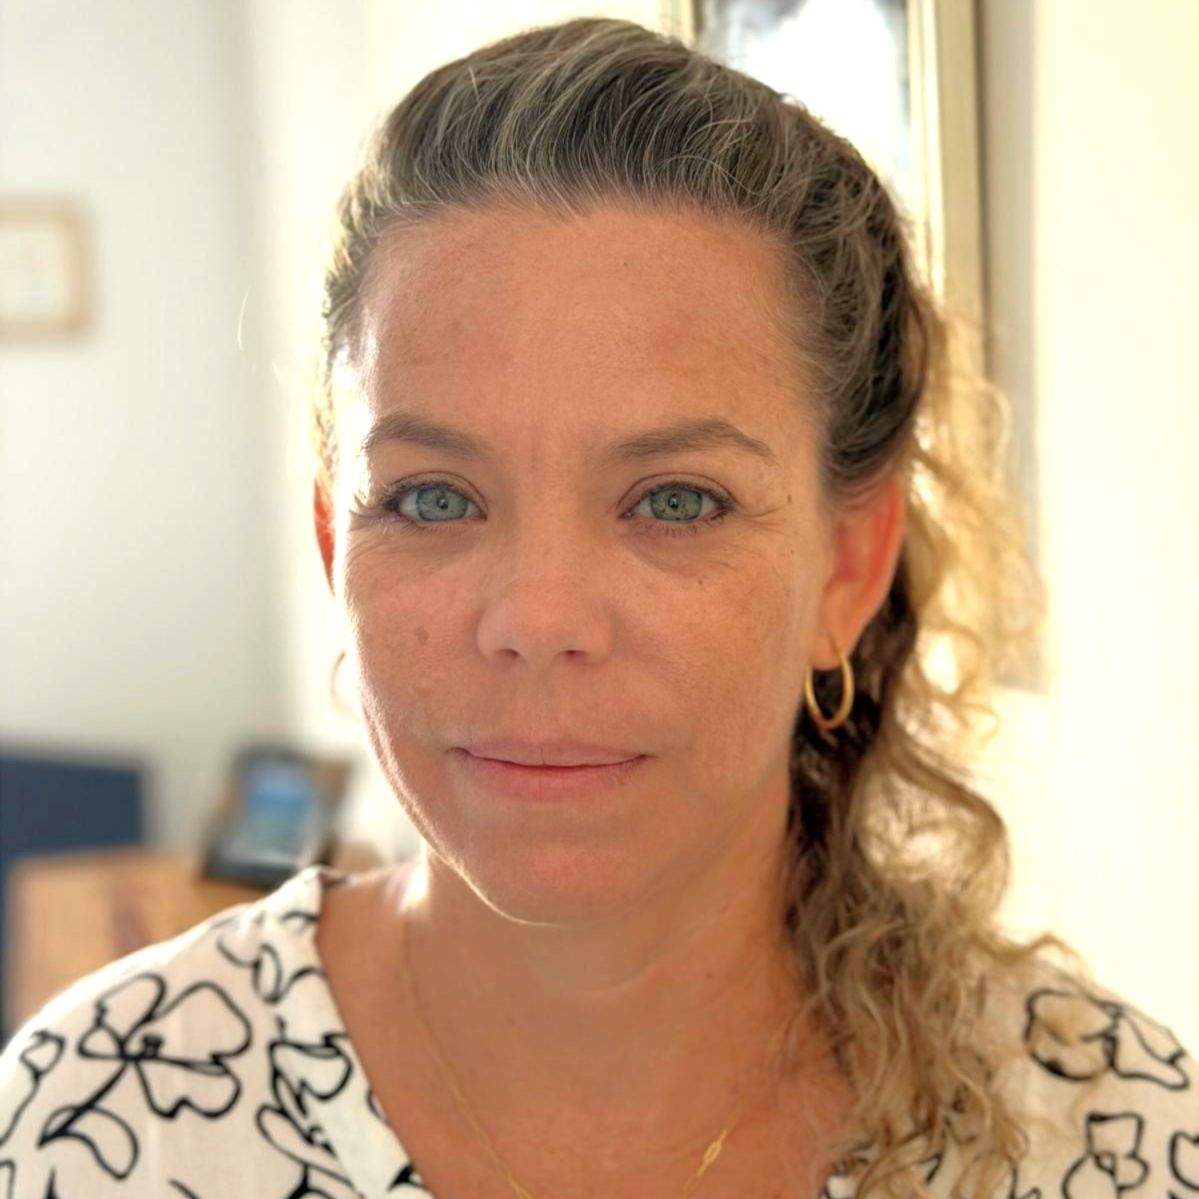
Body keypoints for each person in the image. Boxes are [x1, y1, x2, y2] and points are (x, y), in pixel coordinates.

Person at [1, 15, 1196, 1199]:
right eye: (432, 497)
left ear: (846, 566)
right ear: (334, 545)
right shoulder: (98, 1117)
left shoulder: (1106, 1138)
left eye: (674, 500)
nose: (538, 614)